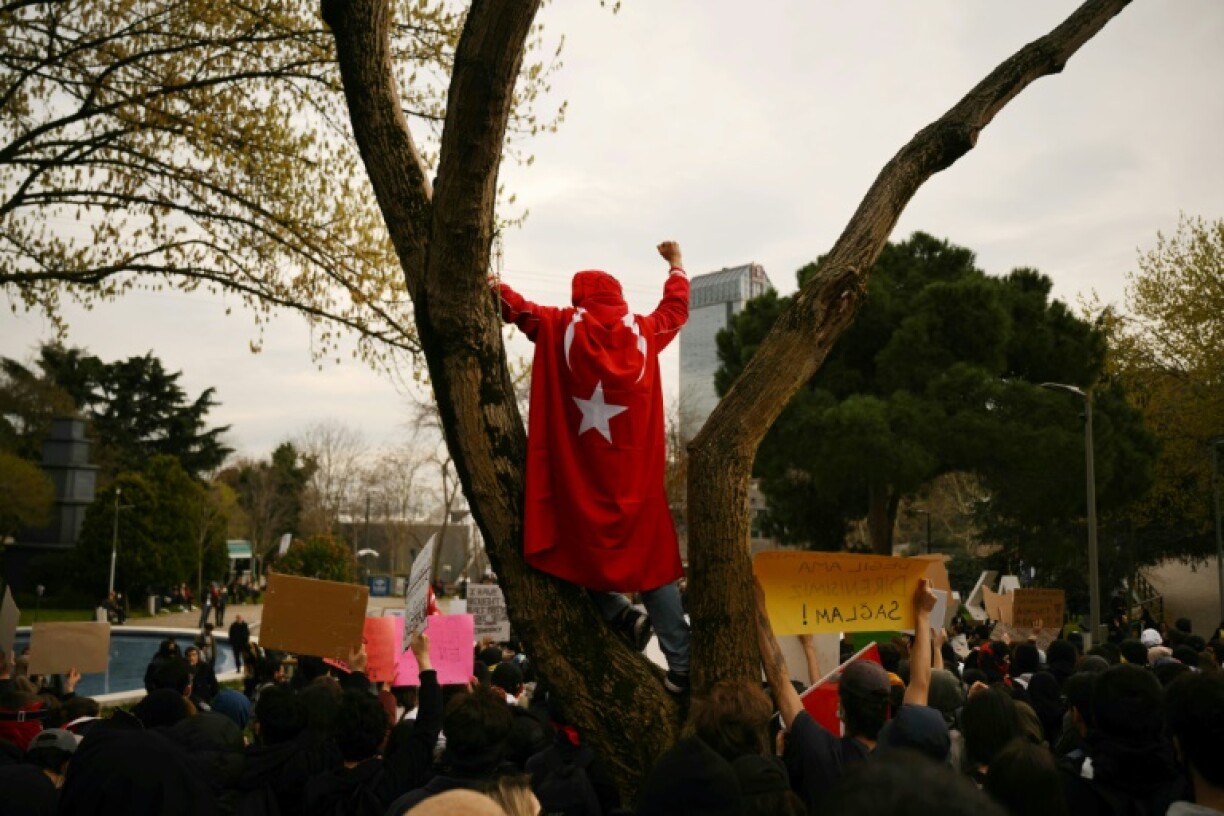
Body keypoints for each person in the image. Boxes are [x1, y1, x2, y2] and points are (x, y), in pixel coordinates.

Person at [492, 241, 692, 692]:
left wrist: (492, 286)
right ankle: (682, 664)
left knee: (568, 548)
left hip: (581, 483)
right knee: (653, 565)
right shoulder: (645, 332)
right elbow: (675, 312)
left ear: (580, 296)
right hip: (637, 488)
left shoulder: (561, 326)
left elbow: (518, 309)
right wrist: (676, 267)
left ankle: (618, 612)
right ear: (619, 298)